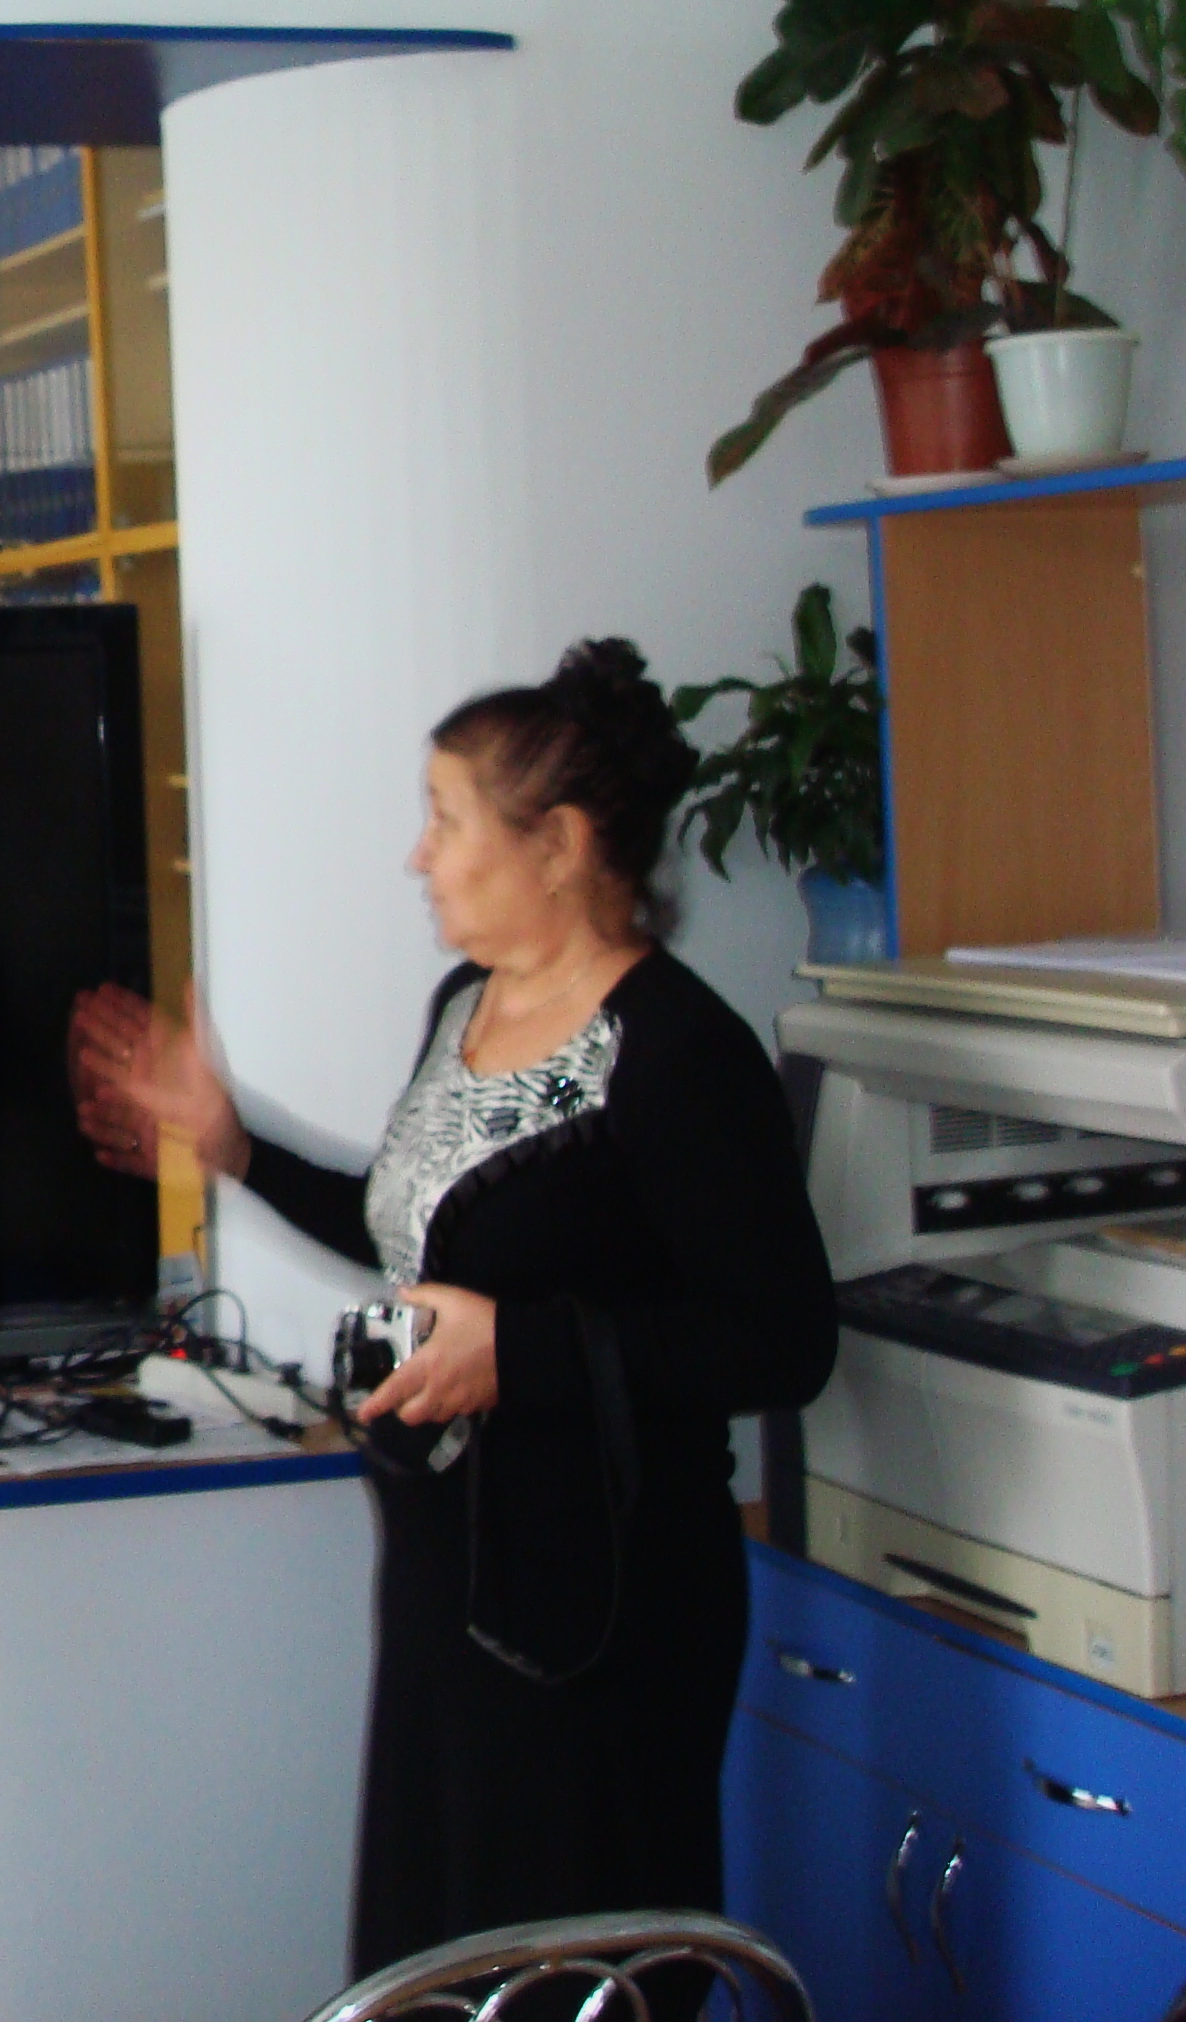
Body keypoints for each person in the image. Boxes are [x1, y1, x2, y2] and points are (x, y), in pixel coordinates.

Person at [69, 638, 836, 1981]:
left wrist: (517, 1352)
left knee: (574, 1971)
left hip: (603, 1621)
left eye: (444, 819)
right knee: (438, 1961)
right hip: (449, 1592)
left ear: (559, 845)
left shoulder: (681, 1055)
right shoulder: (465, 1006)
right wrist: (236, 1148)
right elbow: (416, 1238)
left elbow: (783, 1339)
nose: (418, 857)